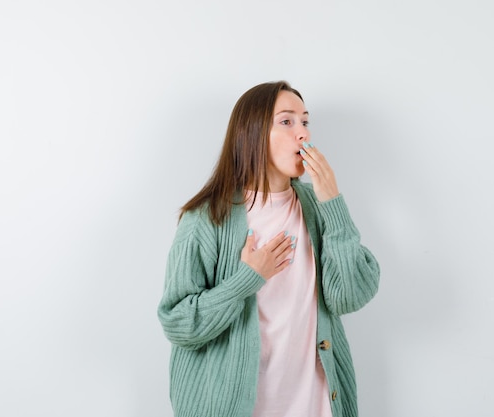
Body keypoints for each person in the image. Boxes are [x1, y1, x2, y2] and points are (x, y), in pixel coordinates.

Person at [157, 81, 380, 417]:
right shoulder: (207, 218)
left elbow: (350, 295)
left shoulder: (317, 210)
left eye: (305, 121)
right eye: (287, 122)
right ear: (253, 134)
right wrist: (246, 280)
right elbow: (177, 322)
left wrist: (333, 202)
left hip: (316, 406)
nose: (302, 134)